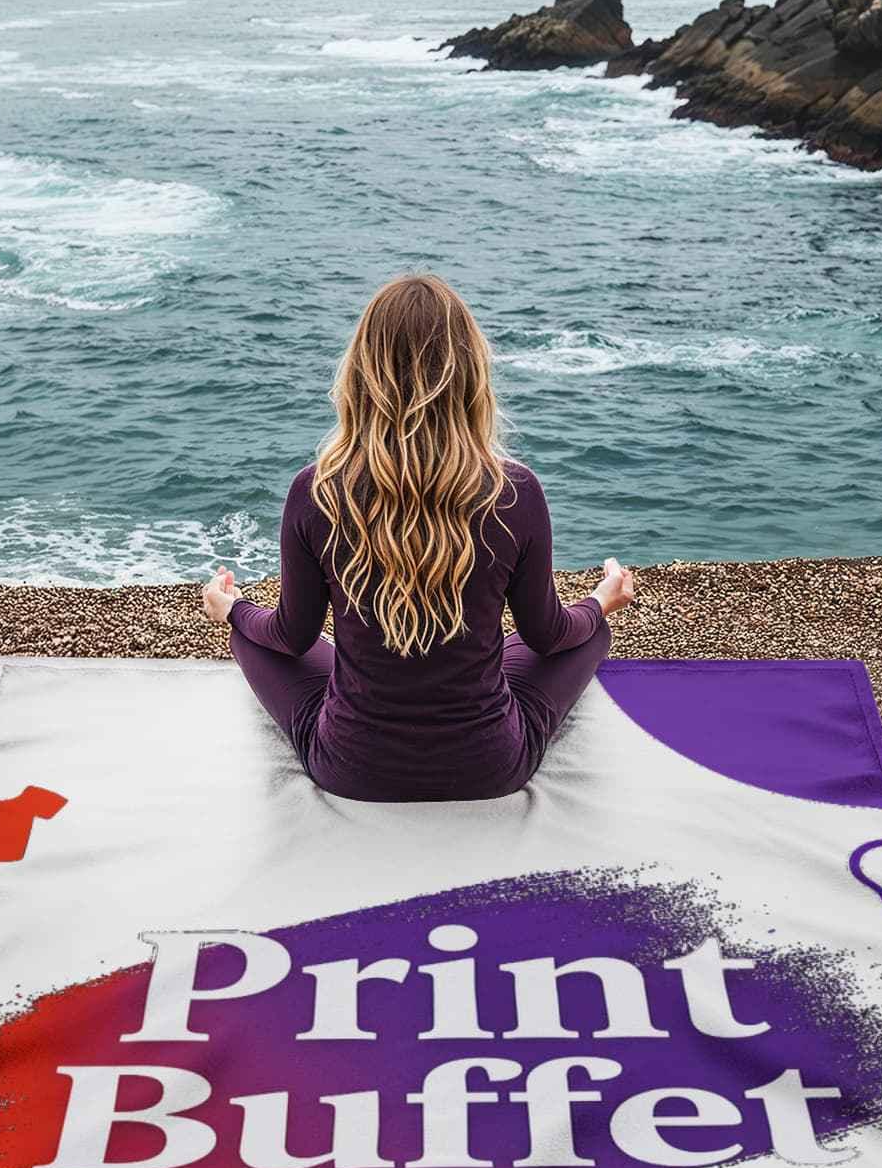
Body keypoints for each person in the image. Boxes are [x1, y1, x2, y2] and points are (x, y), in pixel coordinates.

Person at [201, 272, 636, 802]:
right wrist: (599, 601)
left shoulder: (316, 490)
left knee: (256, 638)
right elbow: (547, 636)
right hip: (490, 766)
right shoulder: (514, 491)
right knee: (586, 634)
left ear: (362, 373)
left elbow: (291, 637)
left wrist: (234, 609)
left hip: (349, 767)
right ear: (470, 374)